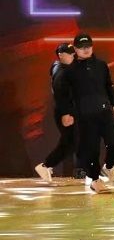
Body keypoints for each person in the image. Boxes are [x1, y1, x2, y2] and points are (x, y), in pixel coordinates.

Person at [56, 33, 114, 193]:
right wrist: (66, 113)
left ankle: (109, 167)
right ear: (75, 49)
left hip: (105, 112)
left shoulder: (101, 65)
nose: (85, 50)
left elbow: (109, 85)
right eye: (81, 47)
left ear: (92, 47)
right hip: (85, 116)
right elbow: (63, 95)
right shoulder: (70, 71)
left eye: (88, 46)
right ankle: (95, 180)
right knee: (91, 149)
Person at [35, 43, 77, 184]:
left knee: (72, 142)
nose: (73, 56)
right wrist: (66, 113)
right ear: (61, 55)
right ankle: (46, 165)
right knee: (70, 142)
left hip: (68, 111)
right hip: (65, 113)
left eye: (73, 53)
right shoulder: (61, 71)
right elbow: (60, 94)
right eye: (70, 54)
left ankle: (47, 165)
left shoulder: (62, 68)